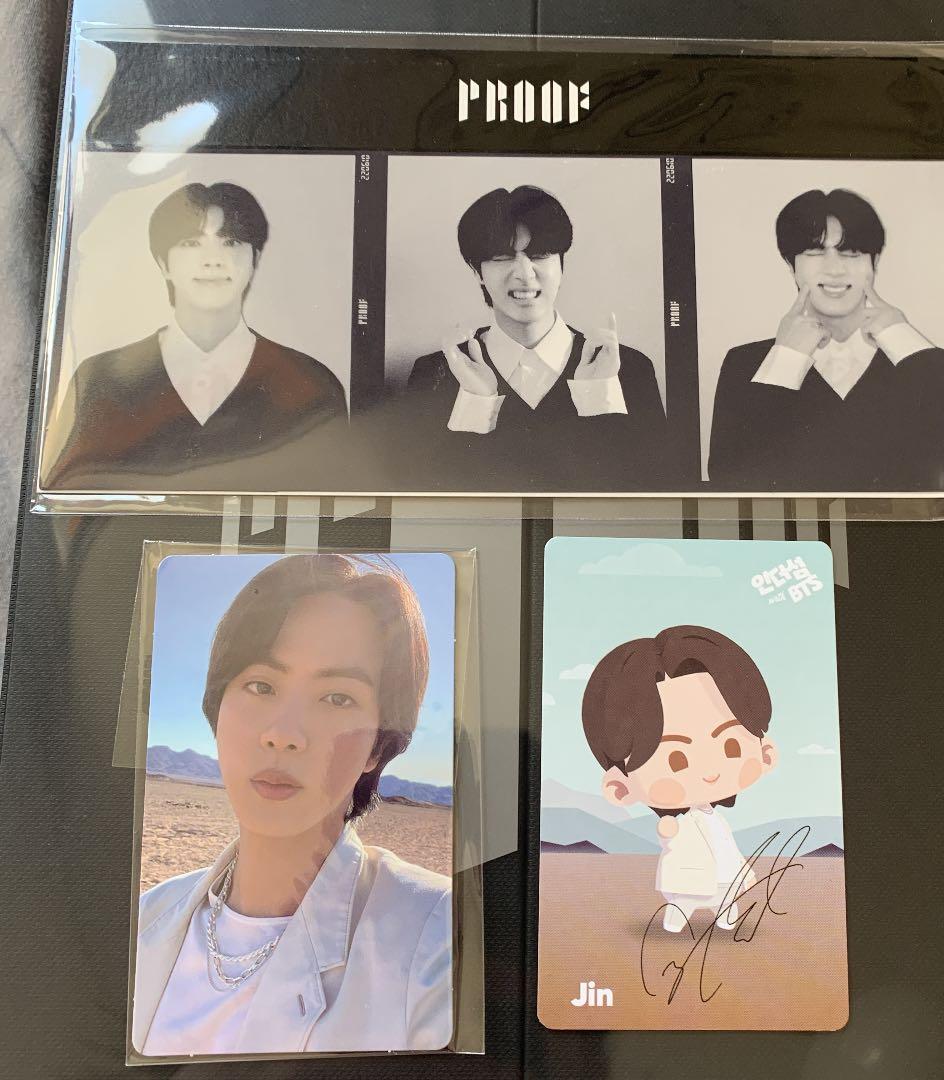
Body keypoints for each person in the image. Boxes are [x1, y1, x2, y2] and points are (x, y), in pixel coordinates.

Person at [131, 554, 452, 1057]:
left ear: (377, 744)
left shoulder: (440, 941)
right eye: (261, 686)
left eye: (337, 698)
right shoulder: (146, 918)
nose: (283, 734)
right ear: (217, 707)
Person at [44, 182, 347, 494]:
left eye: (231, 242)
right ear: (163, 263)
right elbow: (69, 506)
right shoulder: (100, 381)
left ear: (254, 260)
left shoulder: (310, 383)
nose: (212, 260)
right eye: (191, 243)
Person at [707, 188, 944, 493]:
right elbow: (729, 484)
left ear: (874, 262)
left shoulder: (931, 364)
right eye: (815, 252)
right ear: (791, 266)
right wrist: (785, 361)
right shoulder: (745, 364)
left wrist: (905, 343)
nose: (835, 269)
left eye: (851, 253)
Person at [401, 184, 669, 491]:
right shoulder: (433, 374)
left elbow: (652, 497)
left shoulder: (628, 368)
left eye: (539, 255)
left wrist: (598, 398)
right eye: (502, 257)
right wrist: (477, 405)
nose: (524, 274)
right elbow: (422, 499)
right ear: (477, 272)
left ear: (561, 266)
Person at [581, 625, 777, 933]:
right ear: (620, 787)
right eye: (677, 759)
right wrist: (668, 828)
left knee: (726, 892)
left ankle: (724, 914)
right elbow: (669, 833)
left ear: (766, 752)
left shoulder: (714, 817)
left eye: (730, 745)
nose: (709, 770)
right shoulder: (683, 822)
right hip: (688, 875)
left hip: (722, 874)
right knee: (684, 898)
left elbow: (725, 844)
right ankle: (678, 917)